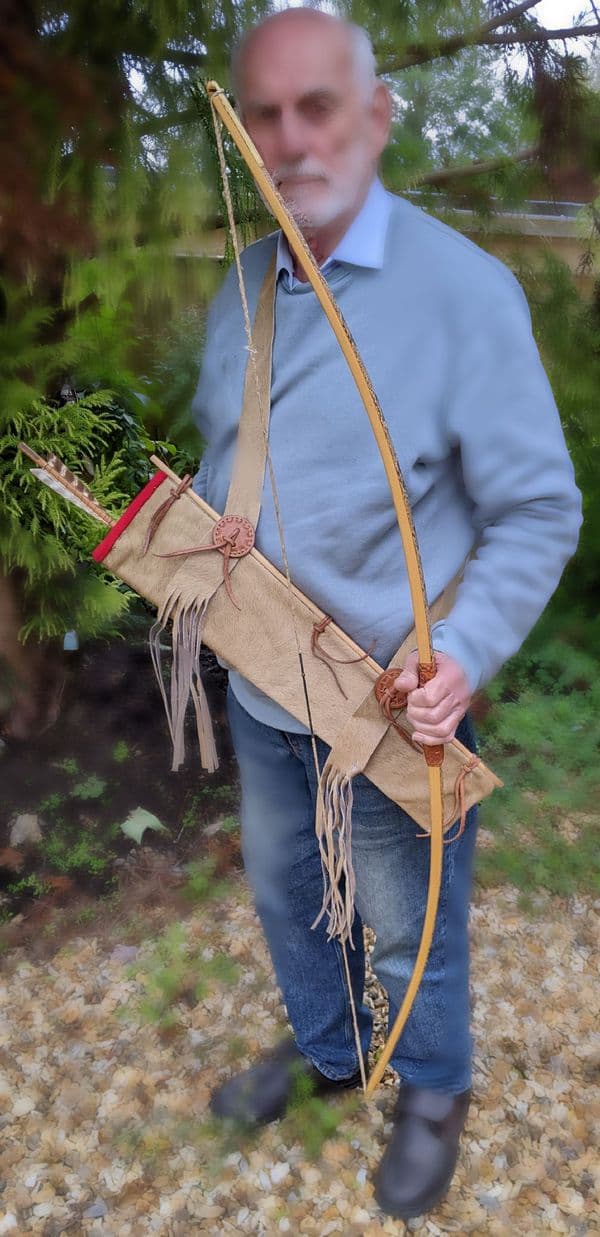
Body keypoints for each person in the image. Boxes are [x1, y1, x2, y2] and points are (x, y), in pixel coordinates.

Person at [192, 7, 582, 1220]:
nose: (290, 139)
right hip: (264, 675)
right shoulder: (243, 285)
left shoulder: (464, 292)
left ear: (377, 118)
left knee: (411, 913)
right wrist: (226, 512)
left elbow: (535, 508)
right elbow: (234, 455)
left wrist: (460, 658)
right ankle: (330, 1052)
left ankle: (430, 1086)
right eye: (265, 113)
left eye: (319, 107)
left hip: (392, 699)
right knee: (284, 884)